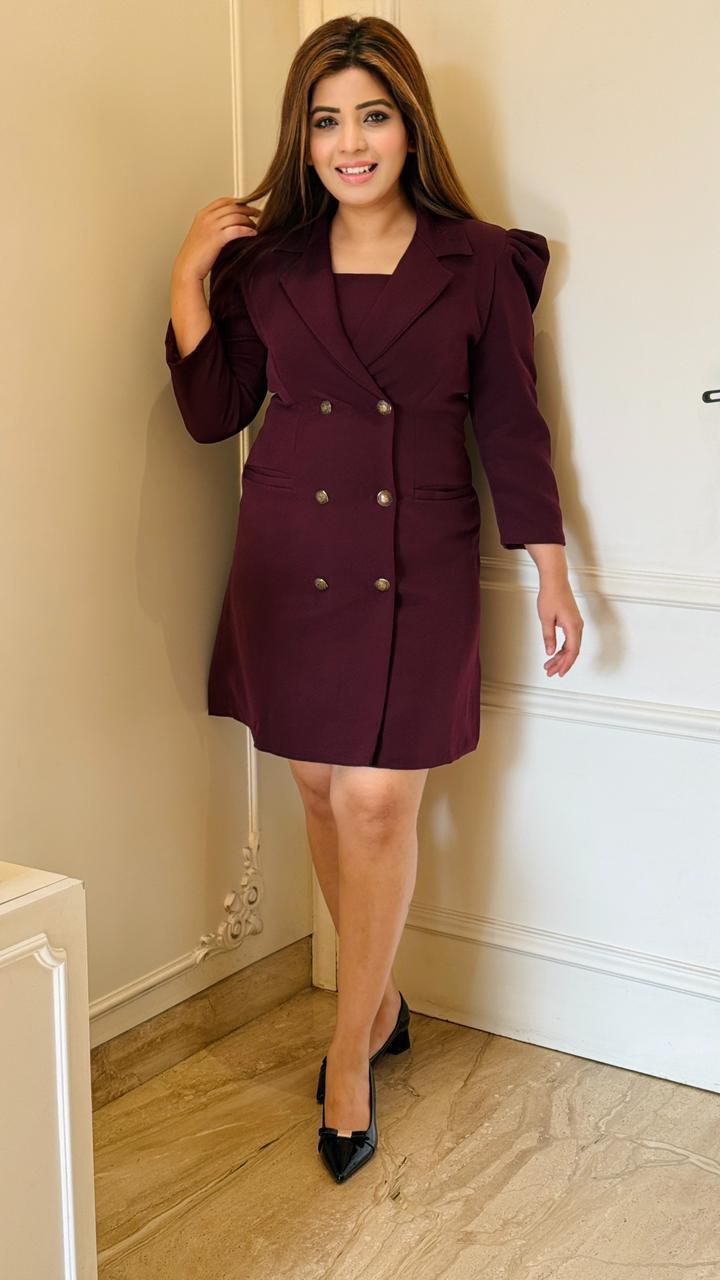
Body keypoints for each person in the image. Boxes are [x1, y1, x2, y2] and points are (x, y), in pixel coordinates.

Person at [164, 14, 584, 1184]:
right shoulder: (269, 267)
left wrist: (549, 563)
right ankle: (383, 998)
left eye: (373, 116)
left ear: (410, 128)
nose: (350, 143)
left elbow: (511, 423)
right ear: (303, 139)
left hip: (420, 558)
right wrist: (188, 273)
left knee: (381, 803)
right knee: (318, 788)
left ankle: (349, 1051)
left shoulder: (481, 260)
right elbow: (215, 412)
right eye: (326, 121)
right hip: (289, 554)